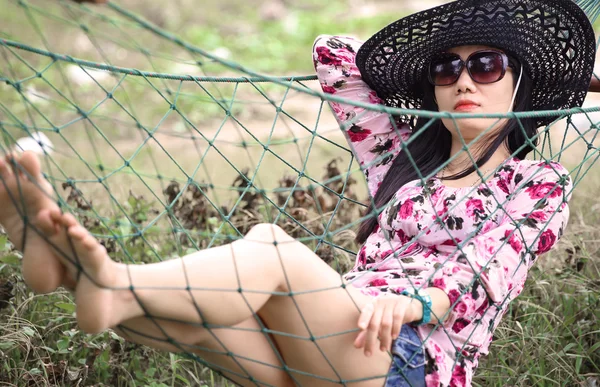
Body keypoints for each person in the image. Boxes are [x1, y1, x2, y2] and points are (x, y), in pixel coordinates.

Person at [0, 0, 595, 386]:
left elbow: (485, 274)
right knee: (182, 322)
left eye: (486, 65)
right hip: (333, 338)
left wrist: (415, 302)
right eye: (445, 69)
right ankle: (80, 278)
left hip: (407, 357)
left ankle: (106, 282)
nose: (463, 80)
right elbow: (334, 56)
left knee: (271, 246)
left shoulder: (537, 183)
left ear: (522, 88)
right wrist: (412, 68)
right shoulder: (401, 160)